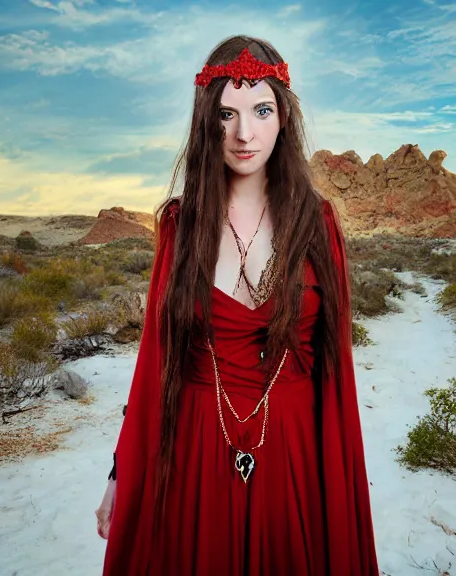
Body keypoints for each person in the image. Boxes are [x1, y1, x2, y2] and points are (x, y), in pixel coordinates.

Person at [95, 35, 380, 575]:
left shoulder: (318, 225)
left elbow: (337, 373)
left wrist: (340, 487)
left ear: (283, 118)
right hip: (195, 452)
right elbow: (155, 365)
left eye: (261, 110)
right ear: (208, 120)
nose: (244, 133)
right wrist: (120, 474)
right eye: (226, 113)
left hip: (296, 451)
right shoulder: (180, 227)